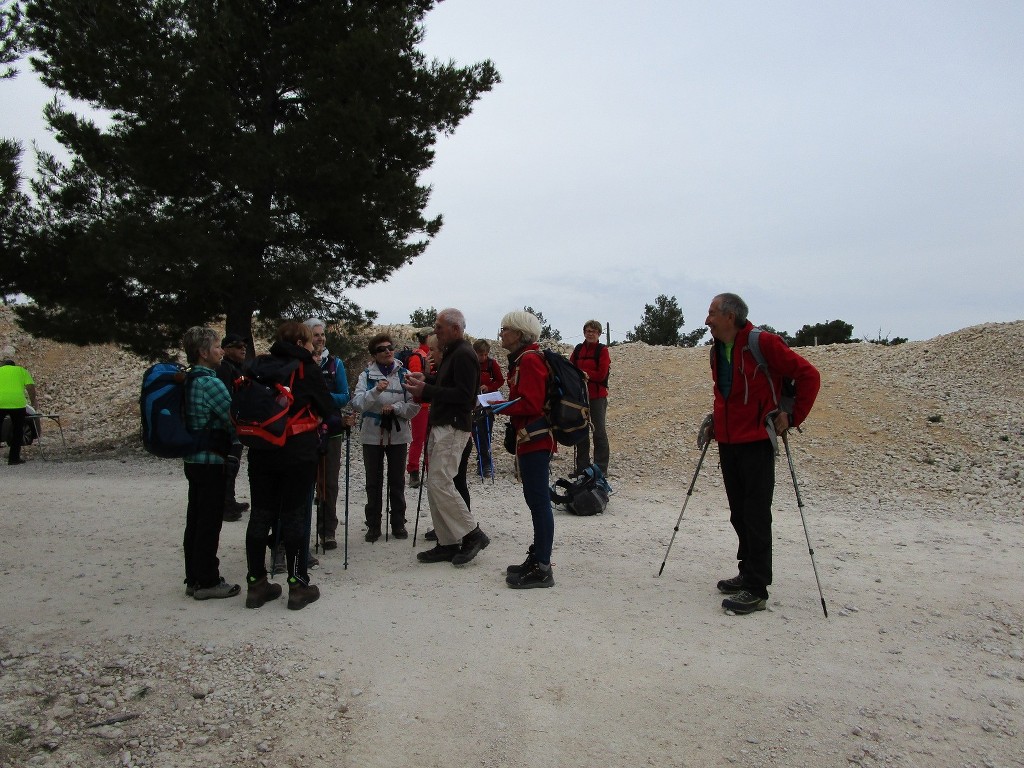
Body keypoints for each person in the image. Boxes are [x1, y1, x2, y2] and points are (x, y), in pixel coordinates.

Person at [703, 293, 821, 615]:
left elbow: (809, 375)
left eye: (712, 313)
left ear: (730, 316)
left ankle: (757, 588)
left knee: (755, 515)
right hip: (728, 442)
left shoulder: (762, 343)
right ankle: (746, 572)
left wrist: (792, 416)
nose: (707, 319)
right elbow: (725, 393)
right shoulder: (717, 351)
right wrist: (716, 420)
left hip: (756, 442)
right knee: (739, 513)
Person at [243, 321, 336, 611]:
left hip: (261, 450)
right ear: (300, 343)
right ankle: (297, 585)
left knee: (260, 515)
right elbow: (328, 411)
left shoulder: (258, 365)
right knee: (294, 516)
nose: (313, 346)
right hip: (297, 453)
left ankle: (256, 584)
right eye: (309, 341)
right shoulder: (306, 369)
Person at [403, 308, 489, 566]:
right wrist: (426, 380)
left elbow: (464, 396)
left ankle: (472, 533)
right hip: (443, 424)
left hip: (452, 426)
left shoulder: (463, 354)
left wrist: (426, 387)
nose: (435, 331)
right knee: (436, 483)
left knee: (440, 482)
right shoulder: (455, 353)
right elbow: (447, 386)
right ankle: (447, 542)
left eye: (439, 327)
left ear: (455, 329)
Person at [496, 311, 556, 588]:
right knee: (536, 500)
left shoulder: (529, 360)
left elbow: (531, 403)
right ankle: (538, 558)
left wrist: (497, 407)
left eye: (505, 329)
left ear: (519, 333)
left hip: (535, 438)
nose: (501, 334)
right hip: (532, 438)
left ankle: (543, 567)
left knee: (539, 502)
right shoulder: (525, 359)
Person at [180, 327, 239, 600]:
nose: (221, 351)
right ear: (203, 352)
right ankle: (207, 580)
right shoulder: (211, 383)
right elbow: (233, 417)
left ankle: (193, 576)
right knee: (209, 521)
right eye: (217, 347)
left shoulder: (189, 379)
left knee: (195, 518)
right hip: (211, 460)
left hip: (193, 458)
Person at [351, 333, 420, 542]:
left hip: (398, 434)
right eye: (381, 349)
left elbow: (414, 406)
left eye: (389, 347)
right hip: (372, 434)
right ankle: (373, 525)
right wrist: (374, 392)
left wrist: (397, 407)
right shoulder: (366, 376)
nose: (388, 351)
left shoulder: (405, 374)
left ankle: (398, 524)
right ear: (374, 355)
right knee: (373, 481)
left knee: (397, 481)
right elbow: (357, 403)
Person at [304, 318, 351, 550]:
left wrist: (319, 397)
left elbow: (344, 396)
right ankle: (301, 531)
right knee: (305, 483)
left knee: (329, 482)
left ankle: (328, 531)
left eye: (322, 334)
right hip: (303, 431)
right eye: (315, 335)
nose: (320, 338)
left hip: (330, 430)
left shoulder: (335, 364)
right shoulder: (300, 363)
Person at [569, 320, 611, 477]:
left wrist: (585, 374)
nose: (590, 333)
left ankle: (601, 469)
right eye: (588, 330)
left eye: (593, 331)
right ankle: (582, 467)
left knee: (599, 431)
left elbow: (602, 373)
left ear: (599, 333)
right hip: (580, 397)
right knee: (581, 431)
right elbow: (570, 368)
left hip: (597, 397)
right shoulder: (579, 349)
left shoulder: (603, 351)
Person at [216, 333, 250, 521]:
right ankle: (225, 505)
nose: (243, 349)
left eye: (244, 346)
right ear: (226, 349)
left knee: (233, 464)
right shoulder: (224, 369)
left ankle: (230, 499)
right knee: (229, 464)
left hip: (237, 423)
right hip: (229, 425)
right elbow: (226, 399)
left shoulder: (238, 368)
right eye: (238, 346)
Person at [472, 338, 504, 479]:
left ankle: (486, 464)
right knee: (476, 433)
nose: (483, 357)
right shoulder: (469, 364)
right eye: (480, 354)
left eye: (485, 354)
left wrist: (489, 387)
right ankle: (482, 461)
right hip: (473, 404)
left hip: (487, 404)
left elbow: (500, 380)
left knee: (486, 433)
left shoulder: (492, 364)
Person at [405, 328, 431, 488]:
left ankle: (430, 470)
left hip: (430, 404)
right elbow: (415, 380)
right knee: (418, 439)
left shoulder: (430, 354)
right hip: (421, 405)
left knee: (430, 439)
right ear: (428, 337)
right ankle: (413, 471)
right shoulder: (417, 357)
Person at [0, 354, 38, 466]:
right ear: (14, 365)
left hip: (0, 403)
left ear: (4, 365)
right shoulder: (22, 371)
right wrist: (33, 401)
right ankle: (13, 459)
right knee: (17, 431)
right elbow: (30, 387)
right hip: (18, 404)